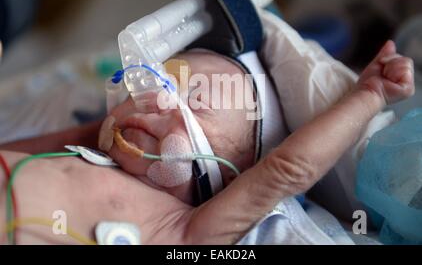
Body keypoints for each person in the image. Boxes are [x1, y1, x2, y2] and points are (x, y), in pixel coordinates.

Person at [0, 37, 414, 244]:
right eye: (148, 88)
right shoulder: (86, 149)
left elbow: (289, 168)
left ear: (232, 178)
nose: (157, 101)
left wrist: (369, 95)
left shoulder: (190, 232)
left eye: (194, 99)